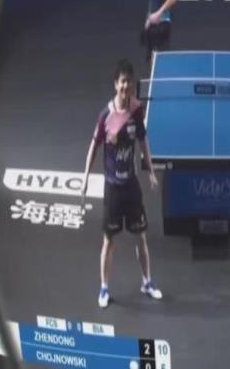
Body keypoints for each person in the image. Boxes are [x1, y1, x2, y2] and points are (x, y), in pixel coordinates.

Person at [82, 59, 162, 308]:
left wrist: (150, 170)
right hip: (113, 188)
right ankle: (104, 288)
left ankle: (147, 282)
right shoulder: (105, 116)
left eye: (129, 82)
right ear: (116, 84)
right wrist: (85, 177)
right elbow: (94, 146)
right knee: (109, 241)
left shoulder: (136, 110)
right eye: (123, 82)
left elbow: (143, 141)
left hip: (131, 186)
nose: (126, 86)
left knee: (141, 237)